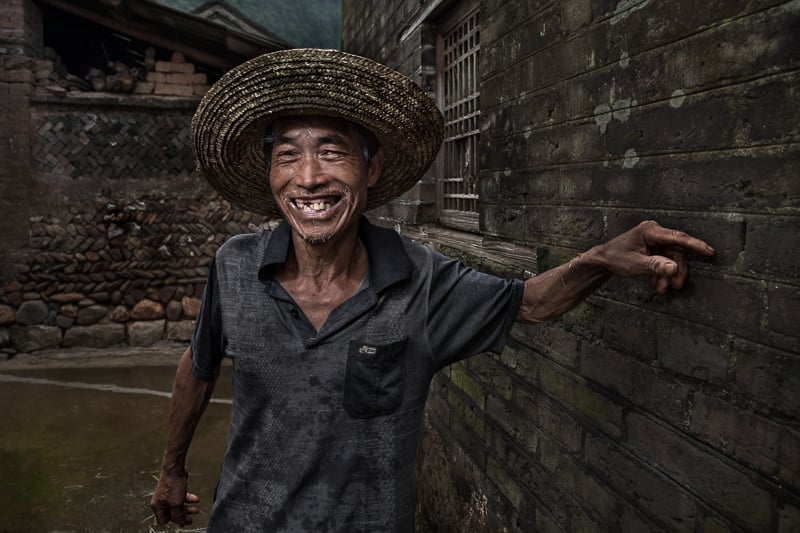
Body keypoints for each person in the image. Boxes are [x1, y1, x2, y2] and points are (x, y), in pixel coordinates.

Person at [150, 48, 714, 531]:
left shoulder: (424, 279)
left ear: (371, 171)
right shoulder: (235, 265)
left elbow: (532, 303)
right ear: (271, 176)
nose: (309, 177)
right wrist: (172, 468)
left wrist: (599, 259)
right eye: (288, 155)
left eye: (332, 150)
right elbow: (198, 366)